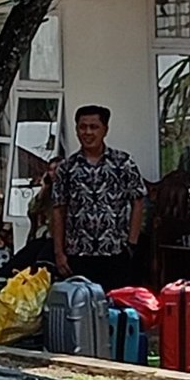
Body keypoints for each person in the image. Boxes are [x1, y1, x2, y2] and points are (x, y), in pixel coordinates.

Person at [51, 105, 145, 289]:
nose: (87, 132)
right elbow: (58, 210)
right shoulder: (66, 168)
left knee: (114, 309)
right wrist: (58, 252)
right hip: (78, 254)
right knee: (81, 308)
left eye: (93, 127)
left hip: (115, 253)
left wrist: (132, 243)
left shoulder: (123, 163)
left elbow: (138, 200)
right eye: (82, 127)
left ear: (105, 129)